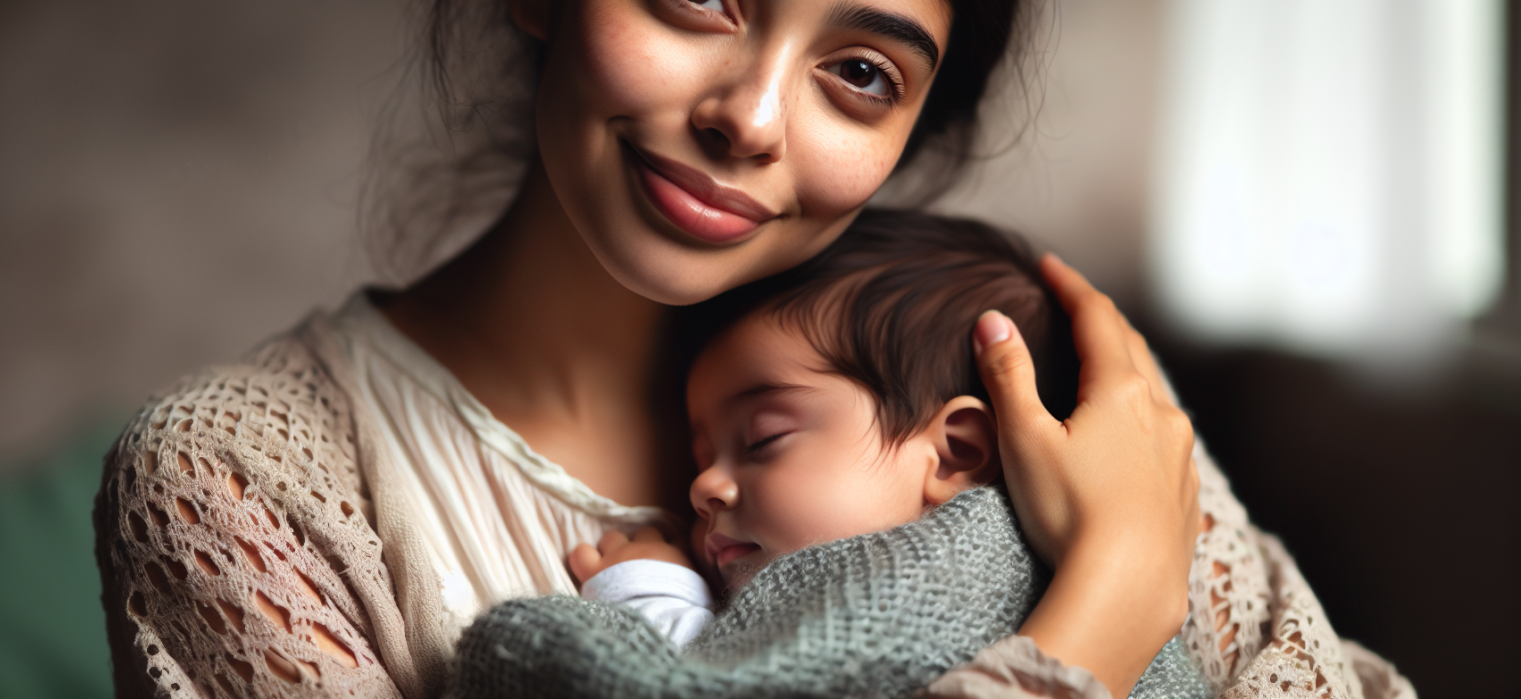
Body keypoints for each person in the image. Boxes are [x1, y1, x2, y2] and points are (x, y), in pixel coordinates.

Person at [93, 0, 1411, 698]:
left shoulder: (989, 363)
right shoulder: (238, 487)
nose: (752, 118)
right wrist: (1112, 597)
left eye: (860, 74)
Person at [445, 210, 1214, 698]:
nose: (706, 486)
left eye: (763, 439)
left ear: (955, 453)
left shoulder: (938, 577)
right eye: (701, 454)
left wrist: (648, 599)